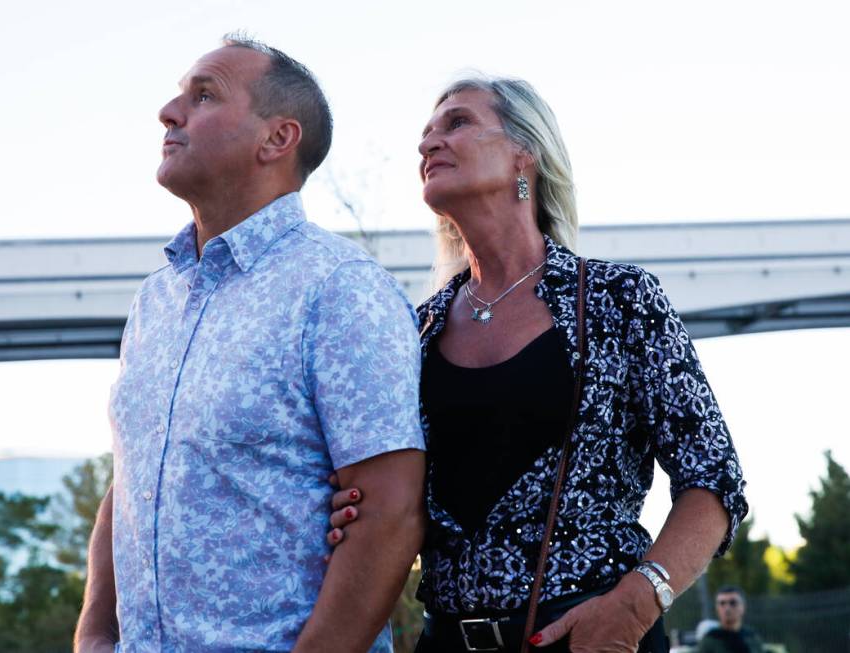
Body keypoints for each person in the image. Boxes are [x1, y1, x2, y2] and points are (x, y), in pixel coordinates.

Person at [327, 75, 749, 652]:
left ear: (525, 154)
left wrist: (636, 603)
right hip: (446, 641)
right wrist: (351, 504)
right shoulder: (413, 330)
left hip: (592, 636)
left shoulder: (617, 300)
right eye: (425, 134)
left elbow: (714, 477)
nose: (428, 144)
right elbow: (391, 497)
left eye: (457, 123)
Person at [73, 35, 427, 653]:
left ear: (277, 139)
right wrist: (94, 633)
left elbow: (390, 511)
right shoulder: (154, 300)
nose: (169, 111)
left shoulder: (341, 289)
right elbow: (132, 484)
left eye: (203, 95)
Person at [697, 587, 766, 653]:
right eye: (722, 603)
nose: (727, 608)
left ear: (743, 607)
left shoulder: (752, 637)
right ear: (717, 608)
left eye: (733, 603)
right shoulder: (710, 640)